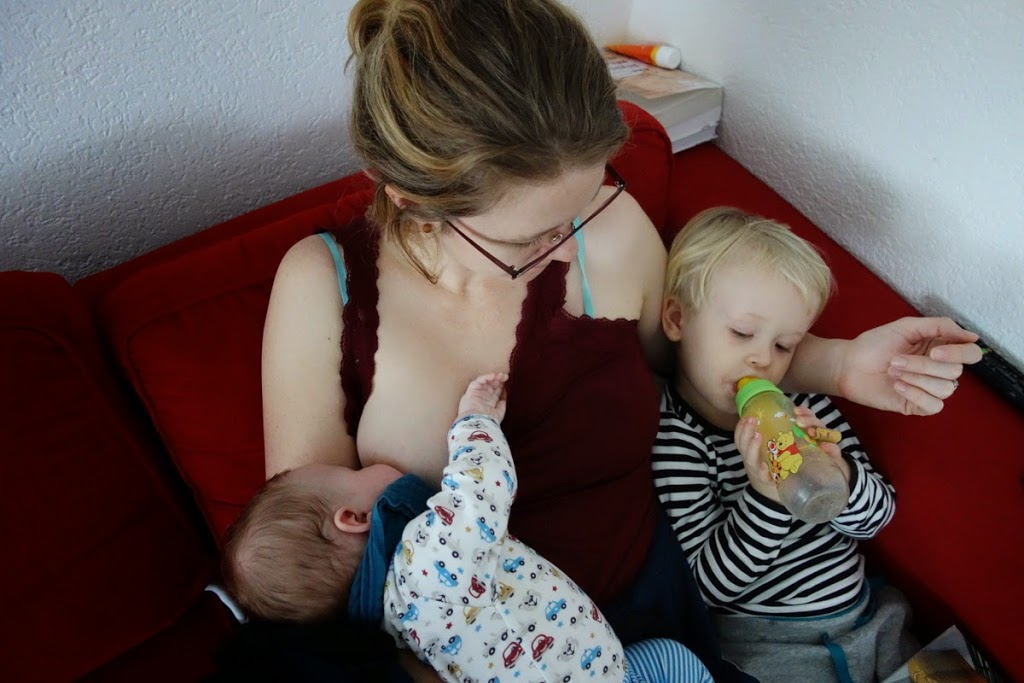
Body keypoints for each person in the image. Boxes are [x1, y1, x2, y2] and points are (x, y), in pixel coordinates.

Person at [256, 0, 980, 680]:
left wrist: (845, 362)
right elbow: (316, 587)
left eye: (578, 208)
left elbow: (688, 362)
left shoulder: (609, 222)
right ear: (405, 193)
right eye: (528, 237)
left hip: (667, 625)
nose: (564, 245)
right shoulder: (323, 288)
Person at [224, 373, 714, 683]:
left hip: (600, 668)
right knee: (676, 661)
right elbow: (481, 492)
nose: (364, 468)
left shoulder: (388, 626)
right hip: (609, 673)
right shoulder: (423, 557)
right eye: (353, 474)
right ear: (353, 519)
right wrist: (474, 423)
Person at [652, 207, 919, 682]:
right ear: (676, 319)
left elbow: (877, 519)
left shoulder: (804, 408)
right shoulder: (679, 441)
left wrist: (842, 475)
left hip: (870, 620)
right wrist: (767, 498)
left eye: (785, 345)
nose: (762, 359)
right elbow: (707, 587)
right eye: (741, 333)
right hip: (769, 648)